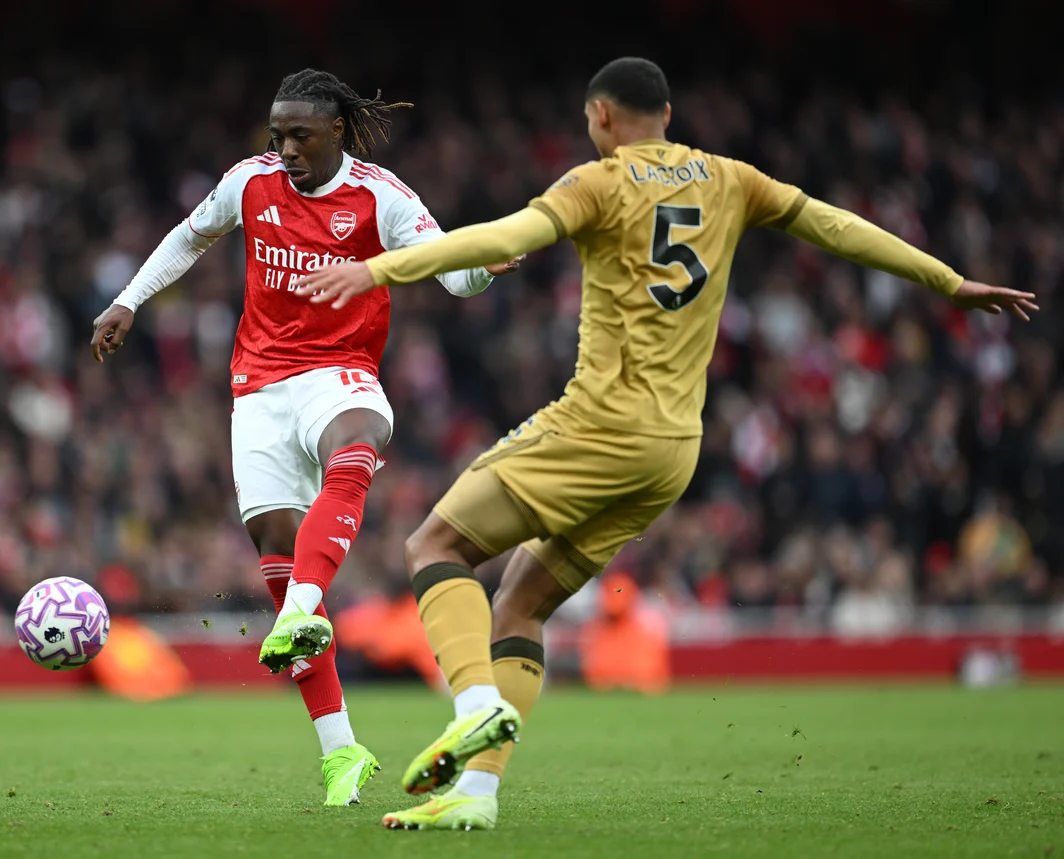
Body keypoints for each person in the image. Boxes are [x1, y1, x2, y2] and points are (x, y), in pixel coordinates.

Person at [294, 56, 1038, 830]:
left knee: (435, 543)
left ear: (601, 116)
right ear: (669, 116)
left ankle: (475, 704)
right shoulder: (732, 179)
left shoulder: (598, 182)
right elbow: (835, 225)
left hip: (600, 425)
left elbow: (506, 235)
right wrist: (949, 281)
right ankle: (476, 796)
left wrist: (377, 269)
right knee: (518, 602)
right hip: (673, 450)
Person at [89, 68, 522, 807]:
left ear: (337, 132)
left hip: (339, 372)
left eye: (299, 135)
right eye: (277, 135)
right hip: (258, 386)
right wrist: (129, 299)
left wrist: (483, 266)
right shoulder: (249, 183)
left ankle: (298, 613)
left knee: (356, 441)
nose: (285, 148)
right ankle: (341, 752)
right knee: (277, 551)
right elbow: (188, 237)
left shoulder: (382, 197)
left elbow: (455, 275)